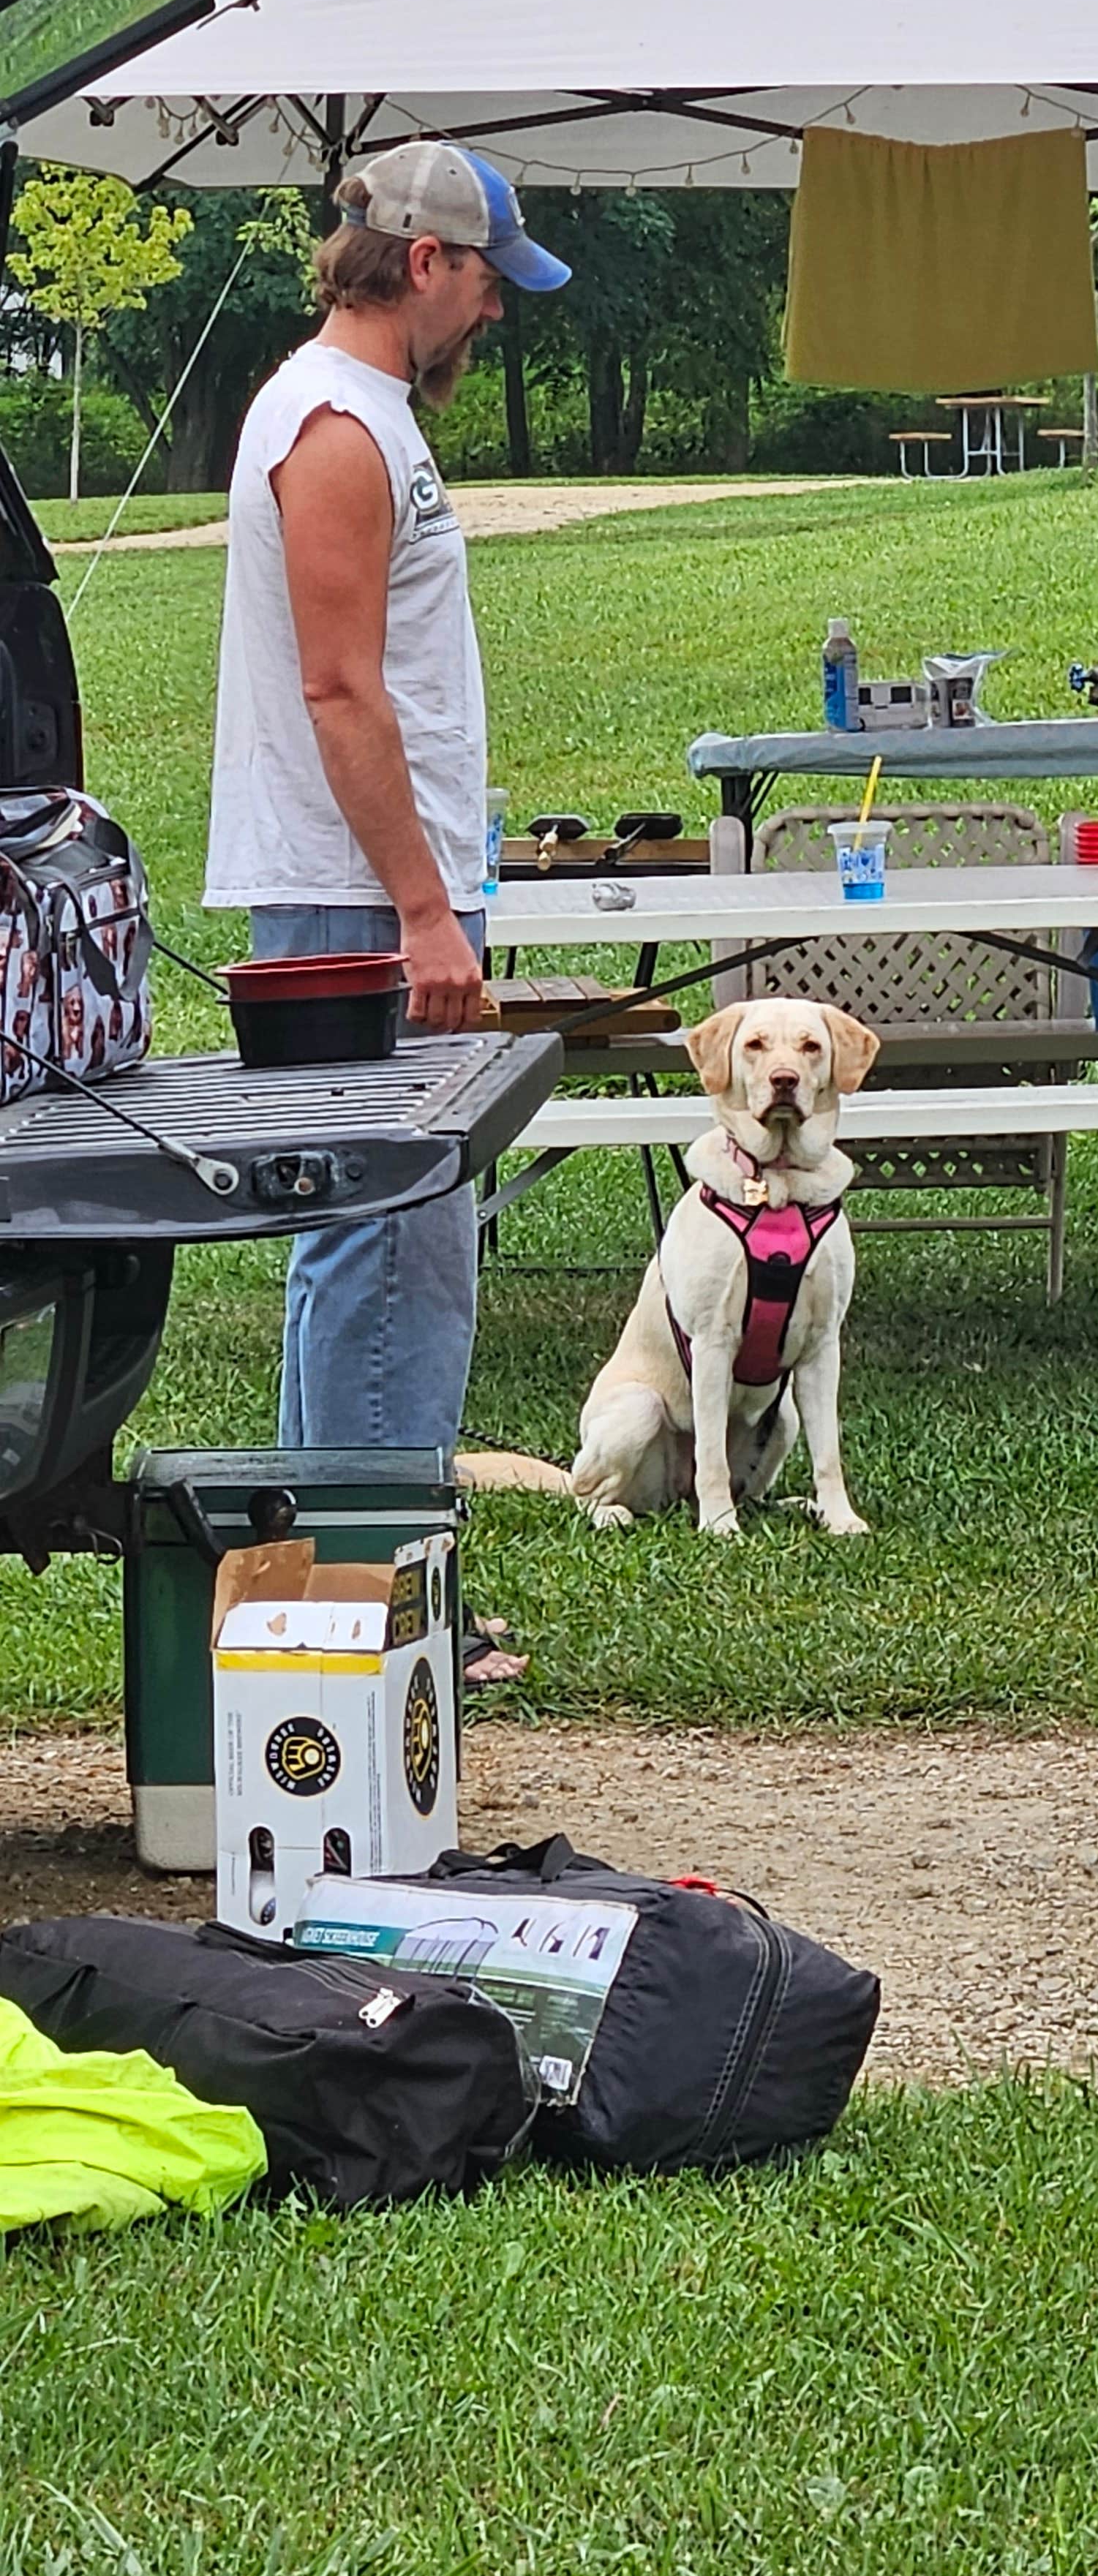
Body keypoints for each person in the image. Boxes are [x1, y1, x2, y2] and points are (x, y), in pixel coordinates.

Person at [205, 142, 570, 1672]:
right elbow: (340, 685)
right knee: (389, 1240)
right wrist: (427, 912)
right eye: (488, 282)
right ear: (426, 263)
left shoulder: (355, 416)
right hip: (361, 906)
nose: (495, 312)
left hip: (376, 891)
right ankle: (369, 1595)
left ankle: (336, 1583)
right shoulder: (340, 428)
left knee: (385, 1243)